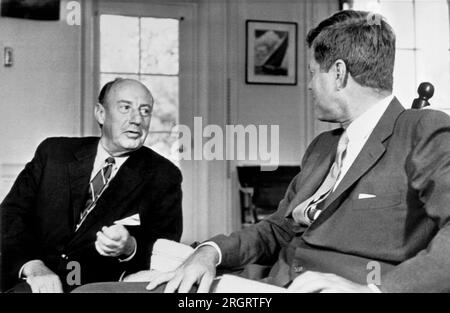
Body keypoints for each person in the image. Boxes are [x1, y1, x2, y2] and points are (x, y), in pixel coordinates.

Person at [75, 10, 450, 293]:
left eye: (312, 73)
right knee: (98, 291)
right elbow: (278, 228)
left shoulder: (422, 130)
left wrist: (375, 291)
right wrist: (211, 252)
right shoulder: (323, 147)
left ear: (337, 74)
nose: (308, 86)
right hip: (265, 284)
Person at [1, 78, 183, 293]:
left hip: (94, 287)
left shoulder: (163, 175)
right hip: (25, 275)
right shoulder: (53, 153)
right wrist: (33, 267)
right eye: (126, 108)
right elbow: (10, 216)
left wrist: (129, 247)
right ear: (101, 113)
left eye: (145, 111)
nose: (137, 120)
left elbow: (165, 249)